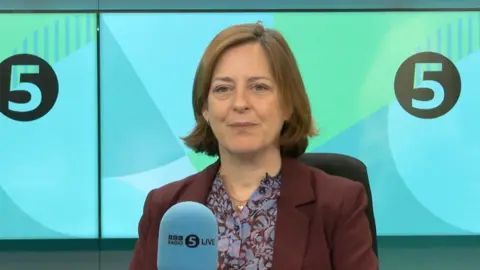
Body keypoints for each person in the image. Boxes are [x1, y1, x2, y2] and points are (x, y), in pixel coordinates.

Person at [129, 22, 378, 270]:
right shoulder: (166, 207)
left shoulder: (338, 203)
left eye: (259, 87)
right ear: (205, 108)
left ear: (288, 105)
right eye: (223, 89)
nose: (240, 103)